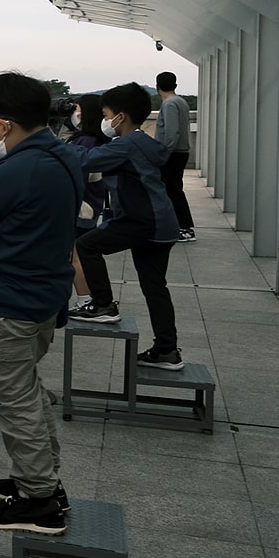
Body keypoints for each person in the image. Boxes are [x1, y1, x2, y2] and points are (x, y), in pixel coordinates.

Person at [0, 72, 83, 535]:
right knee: (27, 392)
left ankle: (38, 501)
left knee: (14, 402)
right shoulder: (60, 155)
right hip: (43, 297)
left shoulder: (23, 169)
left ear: (3, 125)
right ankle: (42, 480)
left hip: (10, 302)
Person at [72, 84, 182, 368]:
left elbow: (84, 160)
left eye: (106, 114)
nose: (104, 120)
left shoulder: (126, 144)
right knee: (155, 287)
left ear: (119, 117)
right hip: (160, 222)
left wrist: (46, 142)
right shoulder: (142, 141)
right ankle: (167, 350)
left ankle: (103, 304)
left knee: (86, 245)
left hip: (143, 221)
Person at [66, 93, 111, 308]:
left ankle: (85, 299)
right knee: (81, 253)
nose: (75, 113)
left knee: (76, 256)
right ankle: (90, 297)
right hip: (92, 206)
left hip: (80, 208)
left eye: (77, 109)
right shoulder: (99, 141)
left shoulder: (84, 142)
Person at [156, 72, 195, 241]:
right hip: (180, 152)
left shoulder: (169, 104)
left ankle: (185, 228)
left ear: (158, 87)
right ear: (175, 86)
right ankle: (180, 226)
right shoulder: (181, 101)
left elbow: (171, 133)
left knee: (173, 191)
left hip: (172, 154)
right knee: (174, 190)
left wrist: (163, 152)